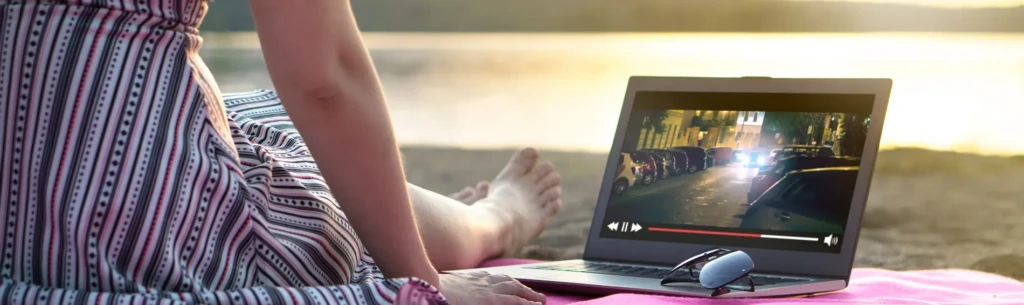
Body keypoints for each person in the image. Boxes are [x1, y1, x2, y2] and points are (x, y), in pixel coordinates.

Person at [0, 0, 562, 304]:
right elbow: (323, 76)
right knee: (299, 167)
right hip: (127, 217)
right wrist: (423, 285)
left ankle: (458, 218)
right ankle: (493, 221)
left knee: (252, 122)